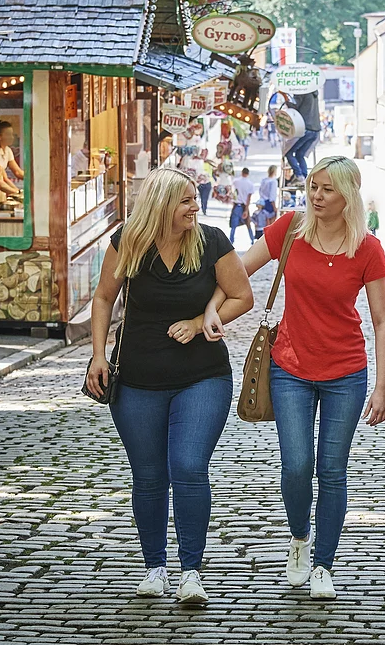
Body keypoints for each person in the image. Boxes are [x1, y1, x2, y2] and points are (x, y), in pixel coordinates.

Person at [207, 155, 385, 600]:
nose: (316, 195)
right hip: (289, 366)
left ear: (347, 195)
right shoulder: (291, 227)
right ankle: (299, 540)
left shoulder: (366, 248)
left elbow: (383, 321)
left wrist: (383, 384)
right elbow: (239, 268)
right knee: (296, 466)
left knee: (332, 470)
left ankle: (324, 564)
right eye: (313, 186)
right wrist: (212, 307)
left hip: (346, 371)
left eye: (327, 189)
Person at [85, 168, 254, 604]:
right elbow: (103, 297)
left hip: (202, 376)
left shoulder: (212, 241)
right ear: (161, 204)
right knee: (149, 475)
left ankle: (191, 572)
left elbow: (242, 296)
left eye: (195, 199)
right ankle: (154, 567)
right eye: (185, 201)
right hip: (138, 378)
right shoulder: (129, 241)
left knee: (188, 466)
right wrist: (99, 354)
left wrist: (201, 322)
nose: (194, 207)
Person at [285, 92, 322, 183]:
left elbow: (294, 106)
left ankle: (299, 175)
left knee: (288, 153)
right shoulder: (314, 93)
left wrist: (285, 97)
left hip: (305, 128)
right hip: (315, 130)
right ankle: (304, 177)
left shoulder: (302, 91)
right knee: (300, 154)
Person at [0, 121, 24, 203]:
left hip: (1, 187)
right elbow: (3, 178)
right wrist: (17, 192)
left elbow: (17, 172)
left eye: (11, 134)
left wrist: (33, 178)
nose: (11, 137)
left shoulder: (7, 150)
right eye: (8, 134)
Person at [230, 167, 256, 244]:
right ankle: (252, 240)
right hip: (244, 205)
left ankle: (231, 239)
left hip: (236, 204)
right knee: (248, 224)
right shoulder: (250, 184)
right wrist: (246, 210)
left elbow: (232, 191)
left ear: (242, 172)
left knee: (233, 225)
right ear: (248, 174)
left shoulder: (236, 181)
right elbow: (249, 198)